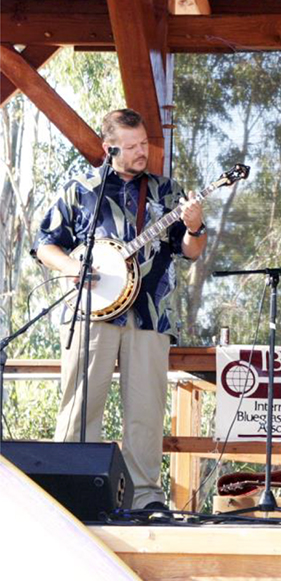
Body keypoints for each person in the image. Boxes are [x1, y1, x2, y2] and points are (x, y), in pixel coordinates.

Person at [33, 108, 207, 511]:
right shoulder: (81, 189)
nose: (140, 152)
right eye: (130, 146)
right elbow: (45, 244)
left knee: (146, 412)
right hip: (91, 313)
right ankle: (70, 495)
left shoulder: (166, 191)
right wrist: (73, 267)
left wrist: (195, 226)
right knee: (80, 406)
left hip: (149, 314)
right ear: (109, 147)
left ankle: (145, 498)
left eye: (143, 143)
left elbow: (191, 252)